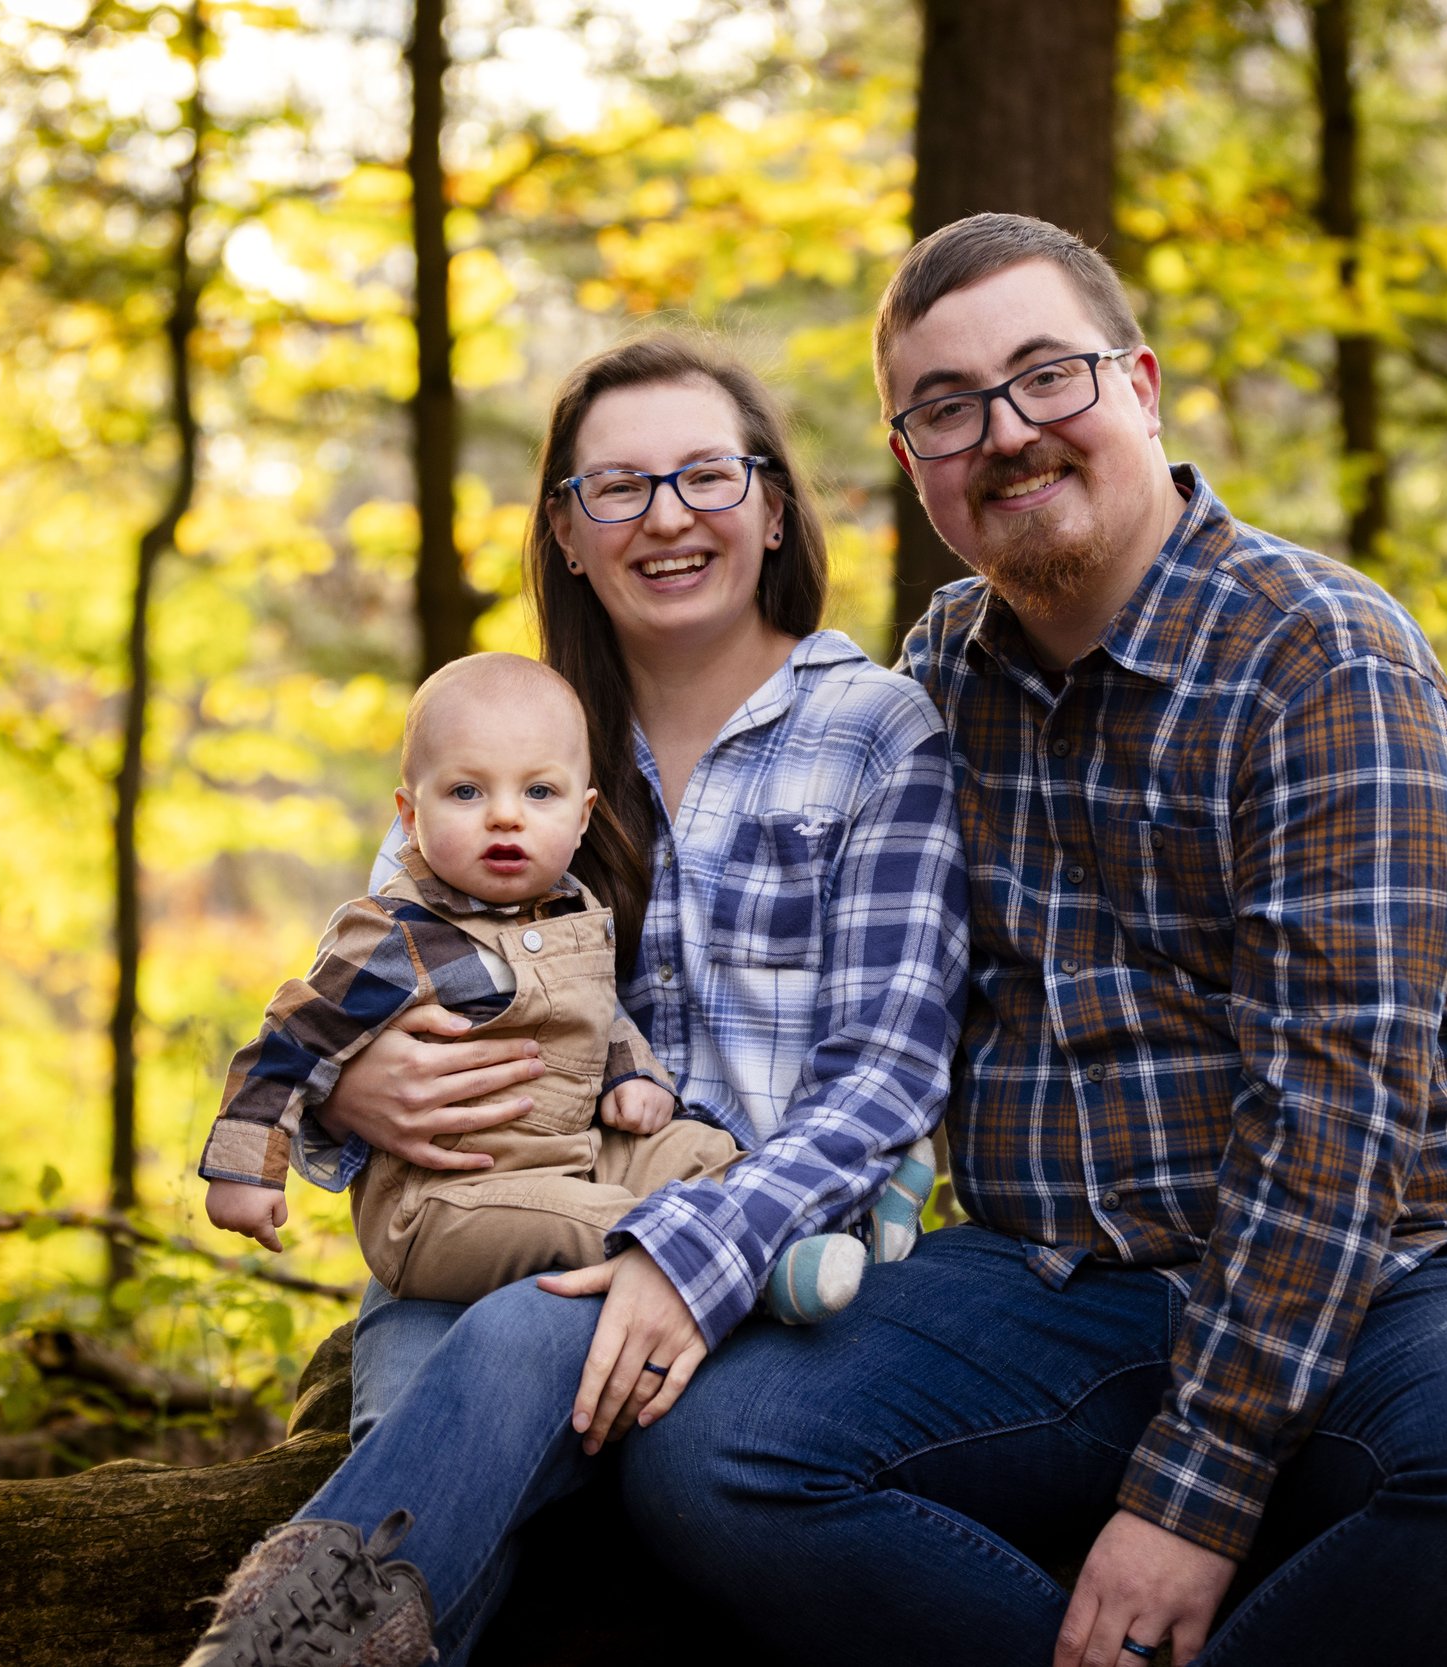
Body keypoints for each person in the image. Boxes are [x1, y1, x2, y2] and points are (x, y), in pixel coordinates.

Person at [619, 213, 1447, 1666]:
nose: (1009, 432)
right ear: (913, 459)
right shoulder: (938, 676)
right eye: (949, 406)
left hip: (1392, 1284)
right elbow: (797, 979)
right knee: (710, 1451)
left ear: (1144, 386)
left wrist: (1194, 1497)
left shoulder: (1323, 662)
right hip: (1057, 1290)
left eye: (1050, 375)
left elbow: (1336, 1117)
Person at [179, 334, 967, 1667]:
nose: (666, 516)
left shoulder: (879, 735)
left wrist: (695, 1241)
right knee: (448, 1434)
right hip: (481, 1221)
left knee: (494, 1386)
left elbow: (888, 1074)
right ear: (567, 528)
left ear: (774, 507)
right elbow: (354, 971)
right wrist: (347, 1086)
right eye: (617, 487)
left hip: (759, 1259)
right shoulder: (509, 734)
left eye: (706, 476)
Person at [197, 650, 876, 1321]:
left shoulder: (571, 911)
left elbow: (595, 1013)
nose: (504, 815)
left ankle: (830, 1218)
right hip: (449, 1206)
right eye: (467, 792)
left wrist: (631, 1074)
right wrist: (245, 1169)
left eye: (538, 792)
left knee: (696, 1150)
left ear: (581, 817)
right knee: (595, 1221)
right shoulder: (395, 933)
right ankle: (764, 1277)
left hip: (574, 1157)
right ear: (410, 814)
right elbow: (290, 1039)